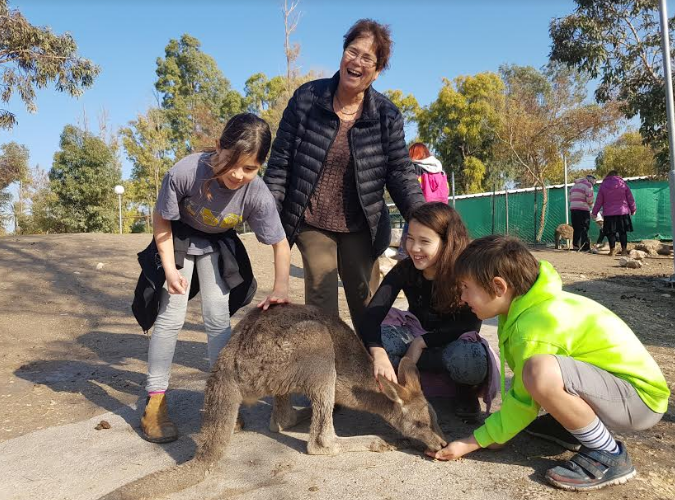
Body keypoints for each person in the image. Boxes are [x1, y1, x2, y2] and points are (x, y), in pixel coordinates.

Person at [428, 235, 669, 491]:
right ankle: (569, 426)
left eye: (466, 287)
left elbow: (524, 397)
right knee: (538, 372)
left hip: (640, 401)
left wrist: (474, 441)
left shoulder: (533, 325)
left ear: (499, 287)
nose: (462, 296)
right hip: (619, 392)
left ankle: (608, 453)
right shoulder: (525, 307)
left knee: (539, 371)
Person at [137, 113, 291, 443]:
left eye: (249, 168)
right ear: (218, 147)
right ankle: (155, 401)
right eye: (231, 163)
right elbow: (162, 219)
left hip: (217, 243)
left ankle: (222, 402)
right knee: (170, 317)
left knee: (218, 318)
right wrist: (168, 268)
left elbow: (280, 243)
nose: (238, 175)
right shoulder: (186, 171)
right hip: (176, 237)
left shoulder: (257, 193)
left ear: (260, 166)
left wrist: (280, 288)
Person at [263, 19, 425, 329]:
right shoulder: (307, 99)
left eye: (368, 58)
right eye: (353, 51)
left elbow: (401, 173)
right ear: (342, 54)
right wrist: (268, 209)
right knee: (321, 302)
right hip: (312, 219)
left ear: (376, 72)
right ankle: (327, 367)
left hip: (361, 223)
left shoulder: (385, 115)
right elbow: (281, 159)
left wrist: (426, 218)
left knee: (365, 303)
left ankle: (369, 363)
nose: (357, 61)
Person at [358, 203, 490, 420]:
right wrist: (378, 352)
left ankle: (465, 391)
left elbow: (470, 325)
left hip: (450, 344)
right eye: (410, 238)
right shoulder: (405, 269)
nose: (414, 248)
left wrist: (422, 342)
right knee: (376, 341)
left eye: (424, 241)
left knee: (471, 359)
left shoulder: (463, 271)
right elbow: (372, 315)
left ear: (447, 243)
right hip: (413, 338)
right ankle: (404, 392)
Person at [397, 143, 449, 259]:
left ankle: (403, 255)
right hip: (440, 211)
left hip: (421, 209)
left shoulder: (415, 168)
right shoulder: (441, 170)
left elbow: (410, 189)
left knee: (410, 229)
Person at [592, 170, 636, 257]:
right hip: (622, 212)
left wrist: (594, 212)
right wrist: (633, 209)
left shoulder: (603, 186)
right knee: (622, 232)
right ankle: (624, 250)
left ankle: (612, 250)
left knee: (610, 232)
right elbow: (630, 198)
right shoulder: (623, 184)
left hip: (609, 213)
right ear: (618, 176)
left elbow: (599, 201)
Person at [569, 174, 595, 251]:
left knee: (576, 228)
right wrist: (592, 206)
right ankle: (585, 247)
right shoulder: (588, 185)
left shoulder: (574, 186)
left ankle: (575, 246)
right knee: (585, 227)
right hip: (583, 209)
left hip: (573, 208)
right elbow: (589, 199)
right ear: (591, 180)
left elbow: (570, 198)